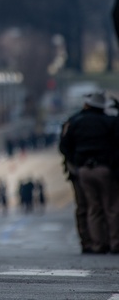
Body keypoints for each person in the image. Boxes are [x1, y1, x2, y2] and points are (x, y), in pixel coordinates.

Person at [59, 90, 119, 254]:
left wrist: (77, 163)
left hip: (83, 170)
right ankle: (114, 243)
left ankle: (94, 244)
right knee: (111, 207)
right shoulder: (109, 122)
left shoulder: (74, 121)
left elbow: (64, 146)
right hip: (105, 169)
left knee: (91, 208)